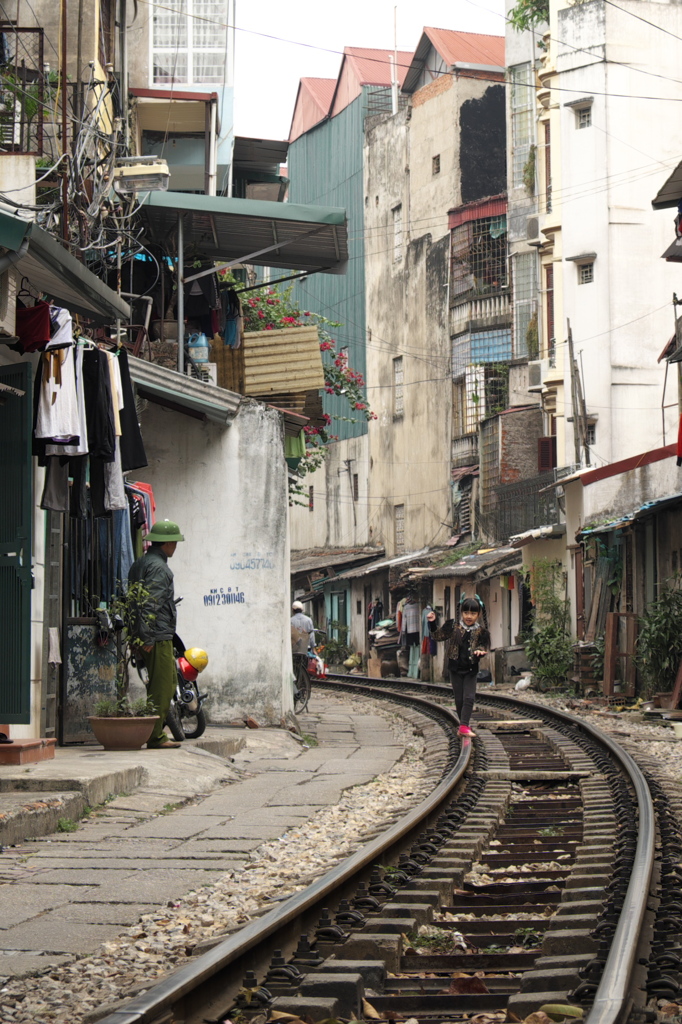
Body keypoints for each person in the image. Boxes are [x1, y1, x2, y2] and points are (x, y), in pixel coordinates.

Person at [128, 519, 185, 749]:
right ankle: (154, 736)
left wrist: (140, 635)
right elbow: (149, 603)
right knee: (164, 685)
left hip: (147, 634)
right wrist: (148, 636)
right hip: (157, 636)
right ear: (168, 544)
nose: (176, 547)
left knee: (162, 684)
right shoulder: (160, 569)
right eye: (175, 542)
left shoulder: (140, 563)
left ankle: (153, 732)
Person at [428, 596, 490, 738]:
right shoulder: (452, 626)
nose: (469, 616)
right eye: (466, 613)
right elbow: (437, 636)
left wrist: (480, 652)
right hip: (455, 668)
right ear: (461, 612)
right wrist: (432, 623)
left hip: (471, 669)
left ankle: (463, 726)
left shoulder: (481, 631)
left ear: (478, 614)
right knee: (459, 699)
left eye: (473, 613)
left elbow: (482, 645)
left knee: (469, 697)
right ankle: (464, 724)